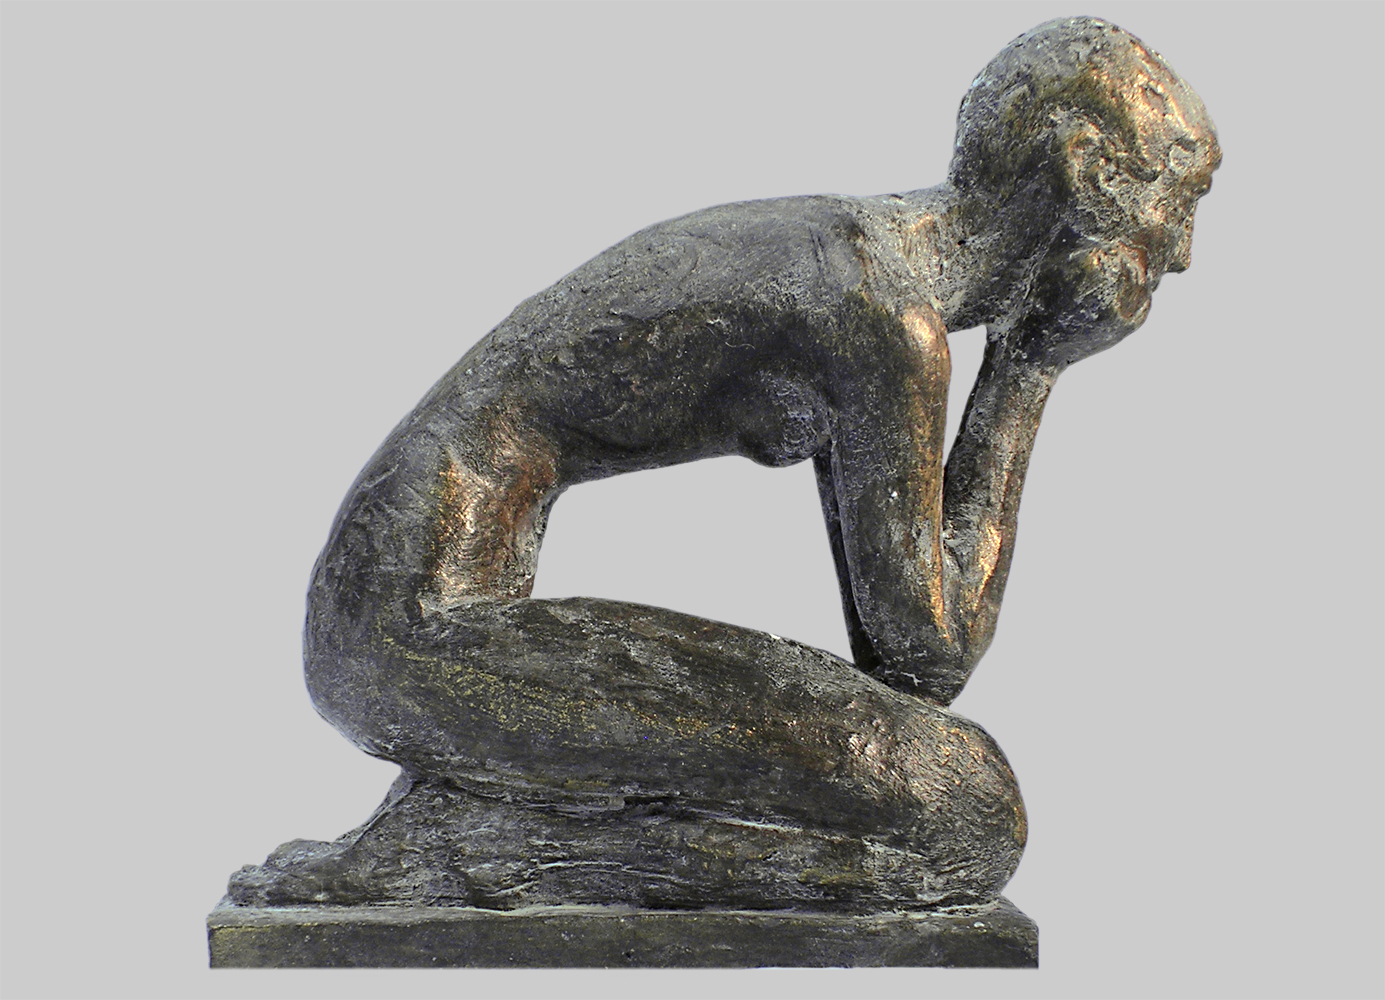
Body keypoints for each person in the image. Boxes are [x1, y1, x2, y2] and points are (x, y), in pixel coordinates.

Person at [232, 17, 1221, 911]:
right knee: (962, 809)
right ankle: (469, 844)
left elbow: (905, 666)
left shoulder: (871, 268)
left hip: (411, 611)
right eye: (1177, 202)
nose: (1176, 253)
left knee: (962, 808)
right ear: (1082, 167)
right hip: (406, 632)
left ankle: (491, 831)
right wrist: (1030, 366)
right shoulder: (883, 313)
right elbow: (925, 657)